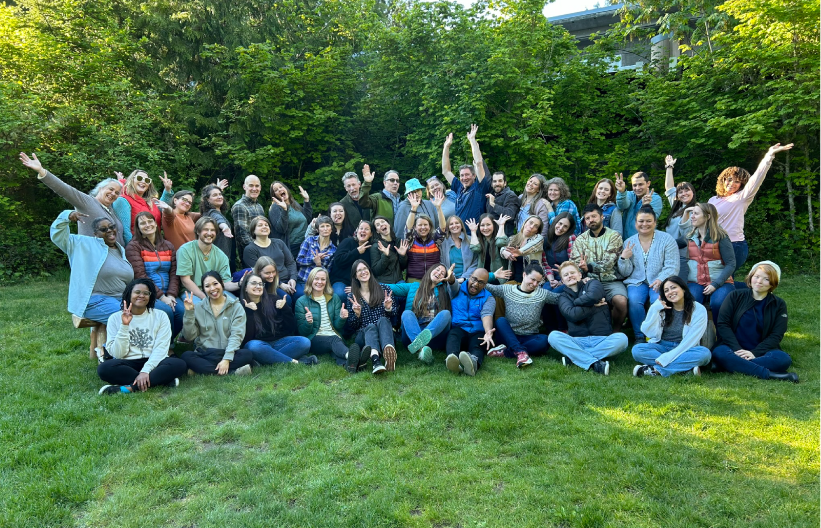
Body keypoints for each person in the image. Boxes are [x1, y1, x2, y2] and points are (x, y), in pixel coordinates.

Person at [51, 210, 134, 357]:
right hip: (95, 300)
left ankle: (145, 354)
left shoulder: (119, 249)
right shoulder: (83, 244)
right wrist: (67, 216)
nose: (109, 231)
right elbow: (58, 236)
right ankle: (109, 354)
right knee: (125, 319)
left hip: (121, 299)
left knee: (150, 315)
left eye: (112, 227)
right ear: (95, 234)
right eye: (103, 229)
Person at [708, 143, 794, 279]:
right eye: (729, 179)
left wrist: (769, 155)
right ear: (723, 180)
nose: (732, 183)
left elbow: (757, 178)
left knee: (724, 279)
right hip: (713, 244)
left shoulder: (742, 198)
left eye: (737, 182)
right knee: (714, 279)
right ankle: (750, 289)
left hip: (734, 245)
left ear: (742, 185)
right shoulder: (713, 200)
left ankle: (755, 289)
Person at [97, 279, 188, 394]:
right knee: (104, 368)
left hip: (155, 361)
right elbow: (118, 354)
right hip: (128, 363)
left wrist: (145, 371)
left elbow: (161, 348)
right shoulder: (114, 318)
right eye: (137, 292)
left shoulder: (160, 316)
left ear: (151, 296)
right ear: (129, 294)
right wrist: (124, 326)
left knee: (179, 364)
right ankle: (161, 380)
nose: (141, 295)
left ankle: (130, 388)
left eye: (146, 293)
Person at [712, 261, 797, 382]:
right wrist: (737, 349)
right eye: (756, 276)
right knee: (720, 353)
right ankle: (772, 375)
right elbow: (723, 324)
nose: (759, 281)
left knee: (783, 359)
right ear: (751, 277)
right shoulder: (734, 296)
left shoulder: (778, 304)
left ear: (773, 283)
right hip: (732, 348)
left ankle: (729, 365)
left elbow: (776, 334)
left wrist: (754, 353)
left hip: (762, 351)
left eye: (766, 279)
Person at [20, 152, 125, 245]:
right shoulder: (87, 202)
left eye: (117, 193)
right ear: (101, 188)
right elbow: (64, 189)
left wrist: (121, 182)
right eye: (110, 189)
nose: (113, 194)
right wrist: (41, 171)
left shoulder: (111, 210)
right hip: (96, 258)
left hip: (119, 258)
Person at [548, 262, 629, 375]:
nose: (570, 276)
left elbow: (593, 296)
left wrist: (575, 303)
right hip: (577, 341)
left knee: (622, 339)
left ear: (580, 275)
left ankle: (575, 358)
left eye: (572, 273)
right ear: (562, 280)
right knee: (553, 336)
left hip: (601, 339)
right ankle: (594, 362)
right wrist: (593, 306)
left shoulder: (593, 283)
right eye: (566, 275)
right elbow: (572, 315)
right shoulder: (563, 297)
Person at [618, 207, 679, 343]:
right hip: (636, 281)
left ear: (655, 222)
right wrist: (624, 259)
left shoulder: (667, 240)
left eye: (648, 221)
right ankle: (640, 335)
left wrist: (661, 279)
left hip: (660, 280)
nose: (644, 224)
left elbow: (672, 266)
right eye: (641, 221)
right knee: (634, 300)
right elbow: (625, 272)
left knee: (657, 301)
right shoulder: (629, 242)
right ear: (635, 223)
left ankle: (656, 335)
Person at [632, 276, 711, 377]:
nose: (670, 292)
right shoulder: (661, 307)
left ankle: (655, 370)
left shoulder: (698, 309)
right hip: (662, 346)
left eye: (673, 287)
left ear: (683, 288)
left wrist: (668, 357)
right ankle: (685, 369)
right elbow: (648, 332)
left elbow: (691, 340)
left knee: (704, 354)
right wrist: (654, 309)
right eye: (666, 290)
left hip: (686, 348)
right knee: (637, 350)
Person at [485, 262, 558, 368]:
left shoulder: (542, 294)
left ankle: (508, 352)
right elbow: (481, 284)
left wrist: (569, 281)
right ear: (524, 275)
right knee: (500, 321)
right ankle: (520, 352)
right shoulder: (508, 289)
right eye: (532, 279)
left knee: (544, 340)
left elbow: (559, 298)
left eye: (538, 282)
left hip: (529, 337)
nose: (535, 284)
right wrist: (493, 276)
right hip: (508, 336)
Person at [180, 271, 253, 375]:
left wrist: (227, 359)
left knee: (247, 354)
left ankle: (202, 370)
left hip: (228, 351)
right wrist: (189, 312)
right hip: (206, 353)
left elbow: (237, 335)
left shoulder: (236, 307)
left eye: (215, 284)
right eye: (207, 286)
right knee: (186, 356)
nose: (212, 288)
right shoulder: (199, 307)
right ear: (203, 289)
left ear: (222, 283)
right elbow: (189, 336)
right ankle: (232, 372)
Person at [125, 211, 183, 340]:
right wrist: (162, 297)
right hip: (148, 293)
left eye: (150, 221)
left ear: (156, 224)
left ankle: (165, 341)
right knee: (166, 311)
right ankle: (166, 346)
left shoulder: (168, 245)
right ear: (138, 228)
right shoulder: (133, 247)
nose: (147, 225)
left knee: (182, 311)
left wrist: (171, 295)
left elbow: (174, 273)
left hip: (168, 292)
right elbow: (141, 276)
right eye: (143, 223)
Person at [570, 204, 628, 331]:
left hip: (611, 280)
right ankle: (586, 330)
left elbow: (609, 262)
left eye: (594, 216)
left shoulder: (614, 236)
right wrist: (581, 273)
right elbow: (574, 263)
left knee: (621, 301)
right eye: (587, 218)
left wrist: (589, 267)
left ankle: (615, 330)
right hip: (589, 281)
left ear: (602, 217)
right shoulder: (580, 240)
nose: (591, 220)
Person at [386, 263, 458, 364]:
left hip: (436, 335)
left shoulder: (445, 290)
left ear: (444, 279)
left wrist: (451, 279)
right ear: (430, 270)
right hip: (413, 333)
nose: (439, 273)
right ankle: (421, 347)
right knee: (407, 313)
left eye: (442, 273)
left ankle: (420, 346)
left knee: (446, 313)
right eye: (437, 270)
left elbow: (455, 288)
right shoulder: (414, 286)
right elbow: (391, 287)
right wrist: (369, 283)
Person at [238, 272, 314, 366]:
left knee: (304, 342)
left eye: (260, 284)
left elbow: (291, 328)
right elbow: (246, 338)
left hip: (279, 342)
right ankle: (296, 362)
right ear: (245, 287)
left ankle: (265, 359)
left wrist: (285, 309)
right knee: (253, 347)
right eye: (254, 283)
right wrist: (249, 313)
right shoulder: (240, 307)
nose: (258, 286)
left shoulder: (273, 299)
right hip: (258, 344)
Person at [680, 203, 736, 322]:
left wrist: (715, 284)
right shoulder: (689, 236)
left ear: (708, 216)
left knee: (718, 303)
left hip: (721, 282)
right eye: (692, 213)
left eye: (696, 213)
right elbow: (671, 243)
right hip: (696, 282)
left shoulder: (721, 236)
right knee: (691, 302)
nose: (692, 216)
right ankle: (694, 333)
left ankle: (722, 332)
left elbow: (731, 263)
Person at [344, 260, 397, 374]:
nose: (363, 272)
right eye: (359, 270)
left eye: (365, 269)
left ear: (369, 270)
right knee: (371, 327)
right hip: (364, 336)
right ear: (355, 276)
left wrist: (388, 308)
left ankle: (386, 354)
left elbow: (394, 314)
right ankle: (376, 359)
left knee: (383, 320)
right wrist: (357, 314)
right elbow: (353, 325)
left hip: (385, 334)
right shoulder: (352, 296)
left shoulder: (384, 289)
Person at [294, 267, 350, 368]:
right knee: (334, 340)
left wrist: (341, 318)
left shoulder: (334, 298)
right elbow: (303, 333)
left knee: (335, 347)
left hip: (333, 335)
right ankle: (351, 356)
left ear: (326, 282)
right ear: (311, 280)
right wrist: (308, 322)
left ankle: (349, 365)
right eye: (316, 279)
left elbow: (337, 326)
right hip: (314, 338)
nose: (320, 282)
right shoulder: (301, 301)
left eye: (323, 279)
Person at [444, 268, 496, 376]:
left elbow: (486, 314)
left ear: (485, 285)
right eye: (474, 279)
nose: (475, 284)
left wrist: (487, 332)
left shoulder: (489, 298)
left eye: (481, 282)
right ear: (470, 277)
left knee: (478, 344)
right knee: (453, 335)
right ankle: (453, 360)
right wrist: (451, 278)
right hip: (459, 328)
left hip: (477, 331)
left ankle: (473, 363)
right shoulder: (458, 289)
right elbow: (453, 283)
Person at [176, 217, 238, 304]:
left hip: (214, 291)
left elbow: (225, 283)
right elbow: (185, 280)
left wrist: (240, 283)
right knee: (201, 307)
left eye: (212, 230)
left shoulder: (221, 256)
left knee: (235, 304)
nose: (209, 233)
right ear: (198, 231)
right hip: (192, 292)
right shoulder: (185, 250)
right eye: (205, 229)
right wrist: (205, 298)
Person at [441, 125, 490, 224]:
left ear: (474, 176)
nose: (464, 178)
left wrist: (472, 140)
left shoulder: (479, 188)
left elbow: (479, 163)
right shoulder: (459, 188)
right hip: (459, 231)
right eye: (462, 175)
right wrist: (446, 147)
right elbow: (446, 171)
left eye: (467, 175)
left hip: (474, 232)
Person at [113, 170, 174, 244]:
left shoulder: (150, 201)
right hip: (137, 247)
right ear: (132, 180)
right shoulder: (122, 200)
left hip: (155, 245)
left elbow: (161, 207)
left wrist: (167, 190)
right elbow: (125, 231)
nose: (143, 181)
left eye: (147, 180)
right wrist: (133, 249)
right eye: (139, 178)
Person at [662, 155, 697, 282]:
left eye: (687, 190)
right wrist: (669, 167)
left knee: (681, 282)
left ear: (693, 192)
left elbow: (688, 235)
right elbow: (669, 188)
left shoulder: (697, 210)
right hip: (670, 251)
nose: (684, 194)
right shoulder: (677, 207)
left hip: (685, 254)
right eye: (680, 192)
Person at [242, 216, 297, 290]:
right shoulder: (250, 249)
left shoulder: (279, 243)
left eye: (266, 225)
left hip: (289, 280)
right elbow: (257, 272)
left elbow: (290, 263)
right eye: (260, 225)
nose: (264, 227)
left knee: (303, 294)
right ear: (253, 230)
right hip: (269, 284)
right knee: (286, 297)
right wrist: (280, 284)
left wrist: (293, 278)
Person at [329, 220, 374, 299]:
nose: (363, 231)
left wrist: (358, 287)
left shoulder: (370, 250)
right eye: (361, 228)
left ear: (371, 234)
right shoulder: (347, 241)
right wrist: (357, 251)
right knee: (340, 294)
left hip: (359, 283)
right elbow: (338, 260)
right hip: (340, 280)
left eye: (366, 229)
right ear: (357, 231)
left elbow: (370, 271)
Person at [295, 215, 337, 298]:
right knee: (301, 295)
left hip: (319, 283)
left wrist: (319, 265)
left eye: (328, 226)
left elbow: (328, 272)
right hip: (303, 279)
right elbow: (299, 260)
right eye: (322, 226)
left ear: (331, 229)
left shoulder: (334, 250)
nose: (325, 229)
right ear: (317, 229)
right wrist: (312, 260)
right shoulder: (309, 241)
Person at [268, 180, 312, 257]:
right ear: (274, 195)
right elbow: (281, 229)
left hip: (305, 244)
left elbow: (307, 219)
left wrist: (306, 200)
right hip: (291, 248)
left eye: (281, 187)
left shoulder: (294, 203)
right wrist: (284, 210)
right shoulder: (274, 207)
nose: (279, 190)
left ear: (286, 189)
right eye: (276, 190)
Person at [613, 171, 663, 239]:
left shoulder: (655, 198)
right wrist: (621, 192)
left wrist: (645, 206)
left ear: (648, 183)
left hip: (645, 240)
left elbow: (649, 220)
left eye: (640, 184)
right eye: (634, 185)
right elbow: (622, 206)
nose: (637, 188)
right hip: (626, 240)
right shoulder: (629, 194)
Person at [200, 182, 235, 273]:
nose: (219, 197)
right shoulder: (212, 213)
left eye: (220, 194)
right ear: (207, 199)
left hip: (220, 257)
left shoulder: (210, 212)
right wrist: (225, 227)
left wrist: (217, 189)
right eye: (215, 195)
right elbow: (219, 220)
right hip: (218, 260)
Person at [467, 214, 512, 285]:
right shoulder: (479, 240)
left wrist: (501, 225)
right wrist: (473, 231)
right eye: (482, 225)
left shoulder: (501, 237)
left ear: (493, 225)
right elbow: (475, 248)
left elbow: (500, 242)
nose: (485, 228)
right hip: (481, 278)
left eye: (488, 225)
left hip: (499, 279)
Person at [501, 215, 544, 283]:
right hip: (513, 280)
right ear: (525, 223)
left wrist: (520, 252)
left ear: (537, 231)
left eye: (536, 226)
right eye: (531, 222)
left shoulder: (538, 238)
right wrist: (503, 251)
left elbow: (531, 246)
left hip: (532, 283)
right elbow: (502, 246)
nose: (531, 226)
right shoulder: (513, 238)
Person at [405, 212, 446, 282]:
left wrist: (439, 208)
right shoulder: (411, 240)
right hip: (414, 279)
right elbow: (408, 228)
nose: (423, 227)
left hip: (432, 279)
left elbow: (443, 228)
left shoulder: (435, 239)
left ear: (429, 227)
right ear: (415, 227)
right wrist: (413, 209)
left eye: (425, 225)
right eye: (420, 225)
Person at [231, 174, 265, 256]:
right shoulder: (240, 206)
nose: (254, 189)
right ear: (244, 187)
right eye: (251, 185)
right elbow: (242, 235)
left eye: (257, 186)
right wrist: (258, 251)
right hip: (250, 254)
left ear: (260, 188)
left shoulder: (259, 206)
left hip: (263, 250)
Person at [370, 216, 409, 284]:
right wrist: (385, 256)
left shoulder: (398, 242)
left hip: (399, 281)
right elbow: (376, 271)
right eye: (378, 225)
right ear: (377, 231)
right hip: (384, 283)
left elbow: (403, 267)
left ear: (388, 224)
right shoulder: (375, 246)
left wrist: (402, 255)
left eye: (383, 221)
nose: (381, 224)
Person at [440, 215, 477, 283]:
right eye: (451, 224)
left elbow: (475, 262)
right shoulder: (443, 243)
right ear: (448, 228)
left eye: (457, 223)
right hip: (449, 281)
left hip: (468, 280)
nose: (454, 225)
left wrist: (464, 278)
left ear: (461, 226)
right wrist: (452, 278)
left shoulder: (470, 240)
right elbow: (442, 263)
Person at [484, 171, 520, 237]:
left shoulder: (510, 195)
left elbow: (510, 215)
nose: (497, 184)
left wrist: (493, 204)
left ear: (505, 183)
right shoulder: (491, 195)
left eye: (500, 181)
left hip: (503, 237)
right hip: (490, 235)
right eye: (495, 181)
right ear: (492, 184)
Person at [516, 173, 551, 237]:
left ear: (539, 190)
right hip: (519, 237)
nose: (530, 184)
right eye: (530, 181)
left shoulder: (541, 204)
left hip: (531, 240)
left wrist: (535, 242)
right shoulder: (521, 198)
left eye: (535, 184)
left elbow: (543, 229)